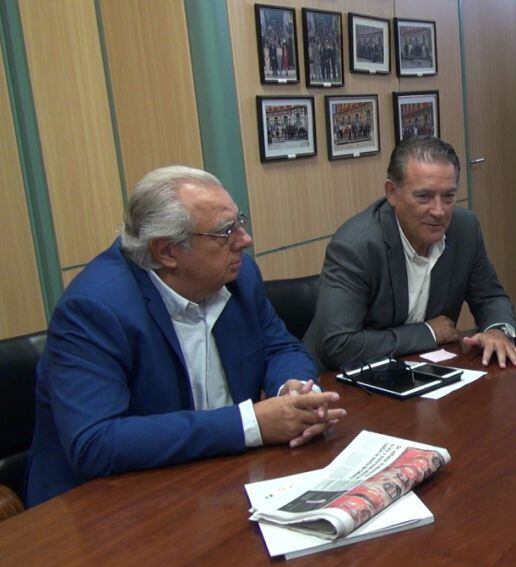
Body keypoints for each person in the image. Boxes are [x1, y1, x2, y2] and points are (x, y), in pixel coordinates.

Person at [27, 166, 344, 506]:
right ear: (167, 252)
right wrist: (250, 424)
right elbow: (95, 442)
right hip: (106, 510)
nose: (244, 240)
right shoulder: (94, 310)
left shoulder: (238, 275)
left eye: (240, 221)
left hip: (216, 481)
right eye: (225, 232)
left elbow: (279, 346)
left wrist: (293, 389)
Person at [303, 136, 516, 370]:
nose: (439, 211)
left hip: (419, 373)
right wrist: (428, 332)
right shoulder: (356, 246)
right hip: (341, 382)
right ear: (392, 193)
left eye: (448, 196)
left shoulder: (464, 229)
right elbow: (340, 345)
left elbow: (490, 297)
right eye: (424, 196)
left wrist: (498, 330)